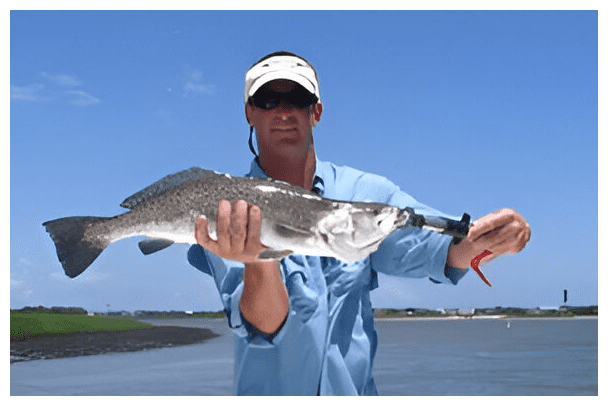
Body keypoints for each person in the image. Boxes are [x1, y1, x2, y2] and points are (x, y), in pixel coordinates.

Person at [187, 51, 531, 396]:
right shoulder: (228, 211)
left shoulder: (368, 195)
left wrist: (490, 242)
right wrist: (257, 263)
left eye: (297, 98)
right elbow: (265, 325)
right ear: (249, 111)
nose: (283, 111)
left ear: (316, 111)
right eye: (267, 99)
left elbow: (443, 252)